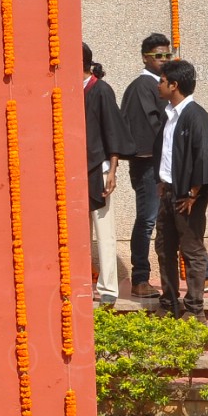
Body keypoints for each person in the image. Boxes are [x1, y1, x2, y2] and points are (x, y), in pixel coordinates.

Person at [120, 34, 208, 296]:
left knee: (177, 225)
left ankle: (205, 274)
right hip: (150, 168)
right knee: (149, 221)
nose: (164, 60)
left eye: (167, 55)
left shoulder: (175, 96)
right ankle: (140, 279)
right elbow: (152, 133)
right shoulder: (143, 86)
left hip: (166, 170)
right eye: (158, 56)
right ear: (145, 57)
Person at [154, 59, 208, 321]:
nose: (159, 84)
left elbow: (205, 156)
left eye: (162, 80)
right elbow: (167, 155)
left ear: (174, 85)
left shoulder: (196, 115)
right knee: (164, 249)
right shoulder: (169, 115)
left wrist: (193, 194)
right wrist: (162, 184)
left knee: (192, 251)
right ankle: (169, 304)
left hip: (188, 198)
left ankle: (195, 309)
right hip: (168, 193)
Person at [83, 45, 133, 306]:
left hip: (100, 171)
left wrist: (113, 170)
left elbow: (113, 131)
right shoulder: (70, 90)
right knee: (80, 234)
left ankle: (108, 289)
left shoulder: (100, 90)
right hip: (76, 173)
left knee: (105, 231)